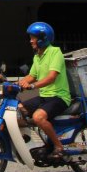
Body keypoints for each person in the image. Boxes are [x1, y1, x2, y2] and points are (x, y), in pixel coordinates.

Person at [17, 21, 71, 162]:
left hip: (59, 96)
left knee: (38, 117)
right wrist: (18, 83)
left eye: (33, 38)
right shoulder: (37, 56)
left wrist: (32, 86)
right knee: (17, 109)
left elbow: (51, 77)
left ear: (43, 38)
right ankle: (38, 142)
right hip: (45, 96)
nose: (31, 41)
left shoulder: (55, 52)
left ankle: (59, 147)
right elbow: (32, 76)